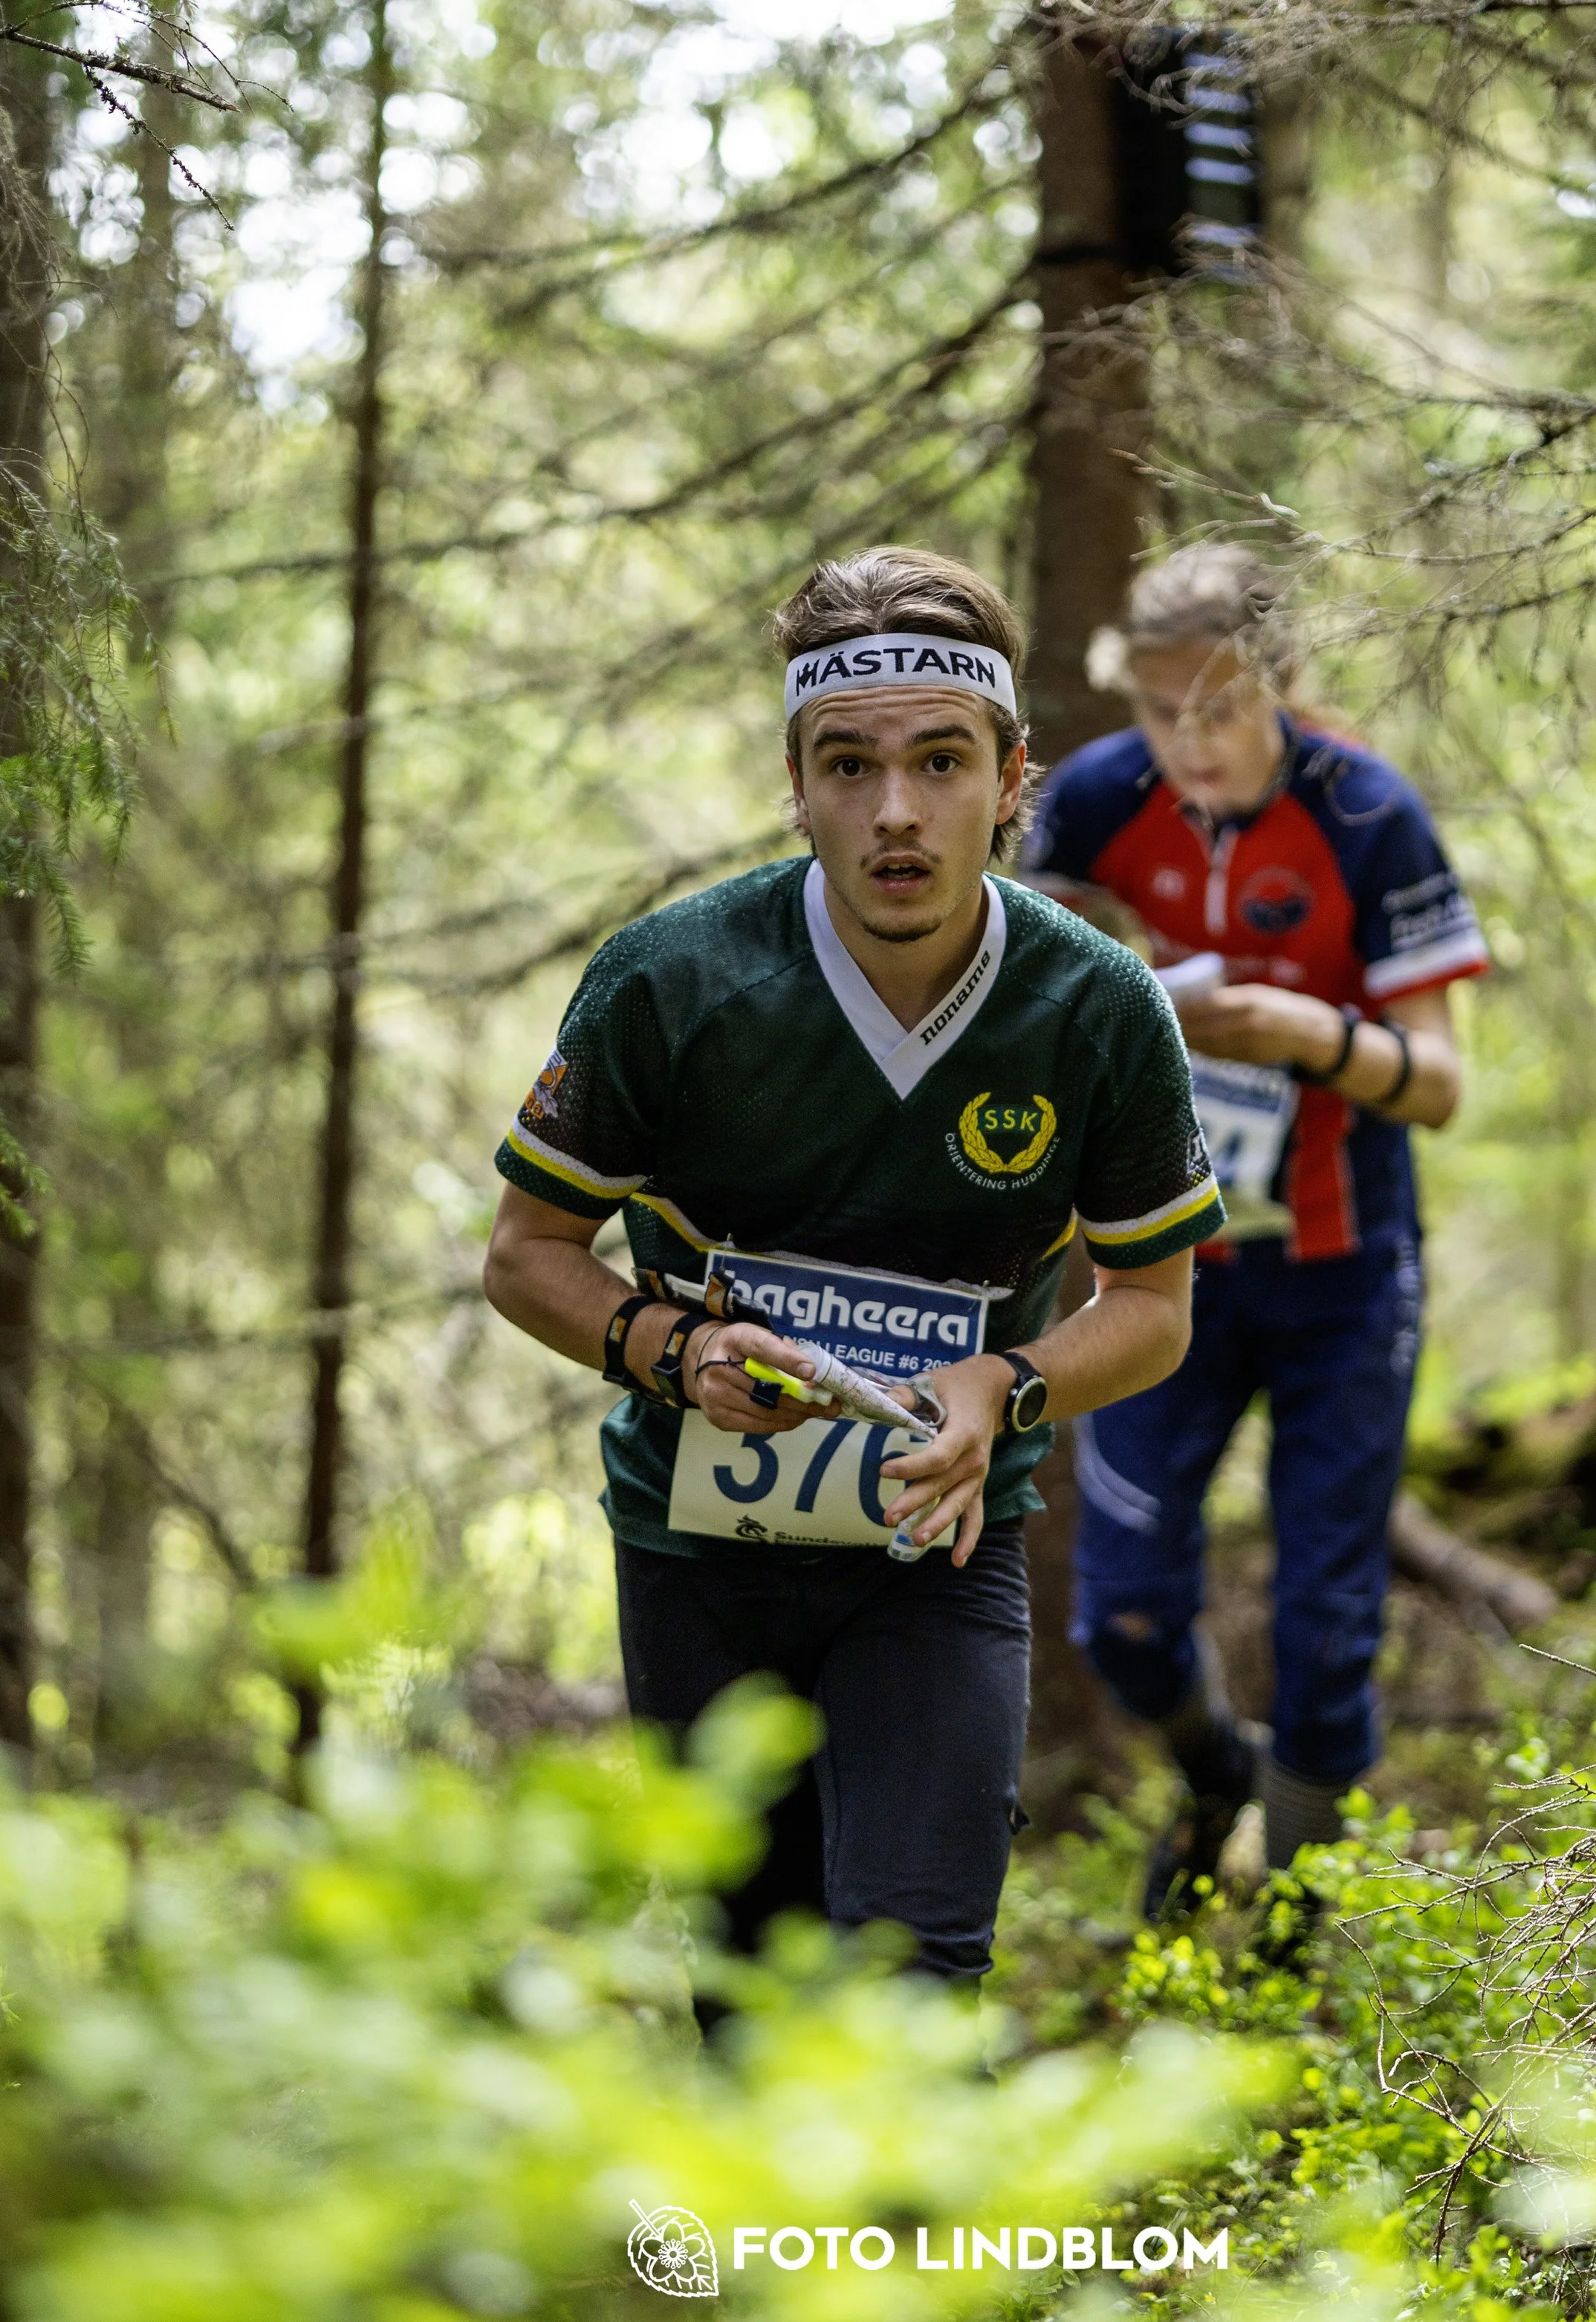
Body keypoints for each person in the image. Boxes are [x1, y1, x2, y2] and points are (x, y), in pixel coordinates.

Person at [481, 545, 1224, 1996]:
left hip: (934, 1554)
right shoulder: (670, 980)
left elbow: (1149, 1308)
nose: (896, 810)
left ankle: (890, 2237)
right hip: (695, 1559)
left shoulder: (1096, 1004)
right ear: (797, 777)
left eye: (941, 761)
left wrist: (998, 1380)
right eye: (850, 764)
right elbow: (526, 1255)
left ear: (1010, 776)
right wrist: (673, 1353)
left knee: (913, 1973)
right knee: (748, 1981)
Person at [1022, 544, 1487, 1908]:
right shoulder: (1100, 802)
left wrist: (1300, 1030)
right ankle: (1216, 1772)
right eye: (1160, 710)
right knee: (1125, 1608)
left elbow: (1444, 1082)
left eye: (1218, 709)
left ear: (1284, 683)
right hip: (1158, 1269)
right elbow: (1029, 989)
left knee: (1326, 1620)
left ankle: (1291, 1904)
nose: (1189, 742)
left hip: (1345, 1269)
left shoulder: (1367, 813)